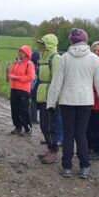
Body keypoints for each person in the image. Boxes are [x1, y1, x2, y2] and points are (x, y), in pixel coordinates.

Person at [47, 28, 99, 179]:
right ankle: (84, 166)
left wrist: (51, 103)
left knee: (69, 134)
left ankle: (67, 167)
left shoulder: (65, 58)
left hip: (67, 101)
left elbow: (56, 83)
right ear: (86, 40)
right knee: (81, 133)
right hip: (85, 101)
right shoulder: (94, 59)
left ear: (71, 41)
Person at [36, 34, 61, 164]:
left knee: (50, 125)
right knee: (43, 125)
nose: (41, 46)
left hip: (50, 97)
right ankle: (50, 148)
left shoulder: (55, 58)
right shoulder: (44, 58)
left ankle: (54, 151)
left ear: (49, 44)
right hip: (43, 95)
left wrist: (54, 98)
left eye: (43, 43)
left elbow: (57, 80)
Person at [8, 45, 36, 136]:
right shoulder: (16, 63)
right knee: (14, 109)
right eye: (19, 51)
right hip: (14, 88)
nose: (20, 53)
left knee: (24, 110)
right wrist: (10, 76)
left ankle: (27, 129)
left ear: (26, 53)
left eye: (22, 52)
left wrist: (17, 78)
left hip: (24, 90)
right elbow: (11, 73)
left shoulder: (29, 64)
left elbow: (31, 77)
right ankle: (18, 127)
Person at [30, 51, 40, 124]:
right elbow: (35, 78)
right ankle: (33, 119)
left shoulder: (31, 65)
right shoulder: (35, 67)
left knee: (33, 102)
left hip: (32, 87)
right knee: (34, 103)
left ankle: (32, 118)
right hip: (34, 87)